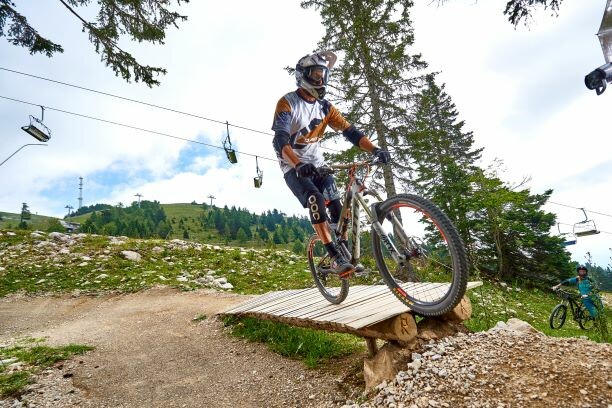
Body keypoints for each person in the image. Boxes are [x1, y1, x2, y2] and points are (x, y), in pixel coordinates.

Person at [271, 50, 391, 277]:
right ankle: (334, 256)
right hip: (293, 166)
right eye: (315, 75)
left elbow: (351, 132)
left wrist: (375, 149)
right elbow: (280, 141)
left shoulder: (326, 107)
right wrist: (297, 165)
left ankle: (343, 249)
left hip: (319, 164)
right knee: (315, 198)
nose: (320, 80)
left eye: (323, 75)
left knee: (337, 207)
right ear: (303, 76)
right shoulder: (287, 103)